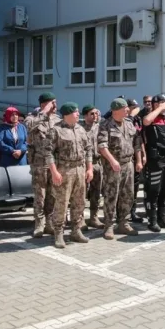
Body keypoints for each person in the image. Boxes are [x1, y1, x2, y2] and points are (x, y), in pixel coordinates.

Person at [45, 103, 94, 248]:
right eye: (75, 112)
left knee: (79, 202)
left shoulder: (80, 129)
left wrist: (89, 168)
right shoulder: (56, 130)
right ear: (66, 114)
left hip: (80, 169)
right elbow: (48, 153)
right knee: (62, 203)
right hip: (64, 171)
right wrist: (54, 172)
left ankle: (75, 231)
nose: (78, 114)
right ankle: (58, 233)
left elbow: (88, 149)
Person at [97, 98, 143, 240]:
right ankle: (109, 225)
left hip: (128, 164)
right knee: (111, 195)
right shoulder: (105, 125)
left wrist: (139, 161)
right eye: (125, 108)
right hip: (113, 166)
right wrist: (112, 161)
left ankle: (123, 222)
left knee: (128, 195)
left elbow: (137, 143)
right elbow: (101, 146)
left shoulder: (129, 124)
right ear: (116, 110)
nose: (128, 110)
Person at [24, 92, 60, 237]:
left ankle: (50, 223)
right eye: (53, 102)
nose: (55, 105)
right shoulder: (32, 117)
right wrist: (44, 111)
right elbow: (28, 127)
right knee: (40, 195)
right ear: (44, 104)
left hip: (54, 164)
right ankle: (39, 224)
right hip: (38, 163)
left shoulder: (57, 119)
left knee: (52, 195)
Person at [141, 94, 165, 232]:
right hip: (155, 160)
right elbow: (146, 121)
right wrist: (160, 107)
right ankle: (152, 221)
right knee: (153, 191)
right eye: (161, 102)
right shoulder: (151, 116)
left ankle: (162, 219)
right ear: (155, 104)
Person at [80, 105, 104, 229]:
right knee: (82, 192)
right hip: (84, 164)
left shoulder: (99, 128)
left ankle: (94, 217)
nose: (95, 116)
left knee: (96, 192)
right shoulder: (80, 128)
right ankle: (81, 219)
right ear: (85, 116)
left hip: (97, 163)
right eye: (91, 114)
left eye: (96, 113)